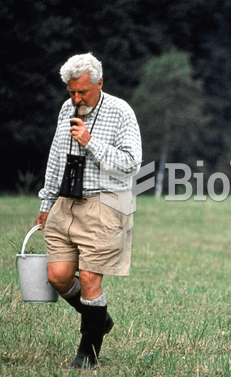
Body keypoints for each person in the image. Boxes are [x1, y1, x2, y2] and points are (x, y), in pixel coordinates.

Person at [36, 52, 142, 369]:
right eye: (72, 92)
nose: (77, 98)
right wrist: (46, 202)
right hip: (66, 201)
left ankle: (88, 356)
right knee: (57, 275)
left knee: (90, 279)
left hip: (107, 202)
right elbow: (57, 156)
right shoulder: (67, 109)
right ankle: (99, 317)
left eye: (83, 91)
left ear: (100, 83)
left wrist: (90, 141)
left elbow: (131, 163)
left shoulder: (121, 112)